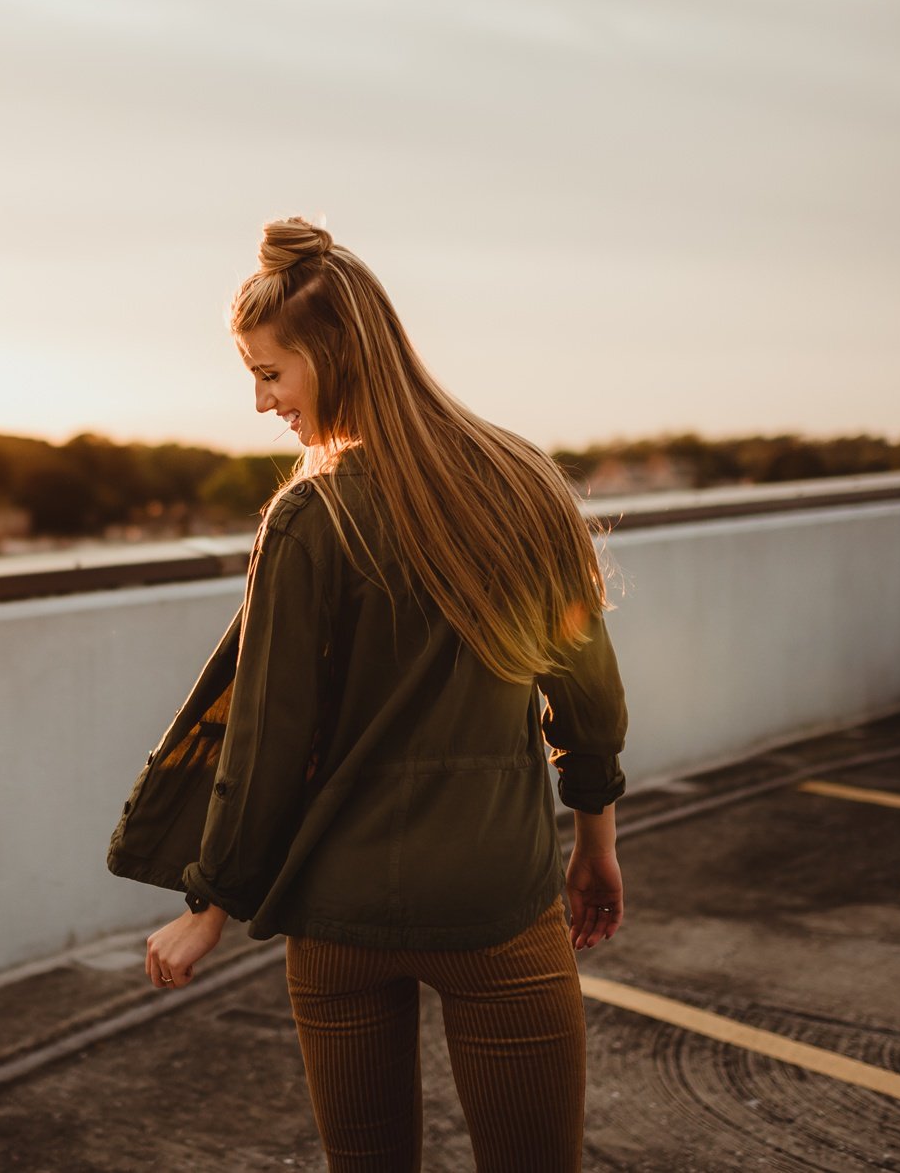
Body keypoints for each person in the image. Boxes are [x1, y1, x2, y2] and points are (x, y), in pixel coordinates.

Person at [106, 216, 628, 1173]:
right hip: (497, 906)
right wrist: (594, 841)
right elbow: (587, 697)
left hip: (337, 915)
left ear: (333, 355)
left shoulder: (310, 515)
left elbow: (264, 737)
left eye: (271, 373)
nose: (262, 403)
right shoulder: (525, 483)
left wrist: (210, 901)